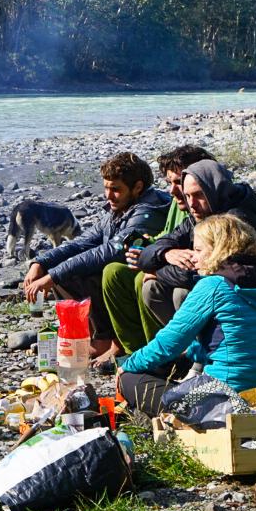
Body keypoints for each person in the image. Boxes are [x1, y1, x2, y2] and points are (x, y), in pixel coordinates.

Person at [118, 214, 256, 416]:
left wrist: (127, 366)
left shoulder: (213, 286)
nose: (194, 257)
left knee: (130, 379)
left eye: (199, 250)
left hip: (226, 404)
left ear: (218, 251)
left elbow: (168, 344)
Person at [21, 152, 171, 353]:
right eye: (107, 188)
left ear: (137, 187)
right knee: (61, 269)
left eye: (115, 190)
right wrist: (40, 263)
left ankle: (107, 339)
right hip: (124, 274)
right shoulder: (120, 209)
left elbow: (110, 251)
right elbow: (83, 242)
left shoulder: (147, 212)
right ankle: (90, 334)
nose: (108, 196)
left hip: (140, 279)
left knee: (97, 271)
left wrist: (52, 277)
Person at [134, 158, 256, 329]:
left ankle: (209, 349)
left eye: (198, 195)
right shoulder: (199, 216)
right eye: (187, 196)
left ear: (214, 190)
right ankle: (190, 348)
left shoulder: (235, 222)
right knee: (152, 288)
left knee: (183, 293)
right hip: (228, 294)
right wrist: (165, 253)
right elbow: (147, 255)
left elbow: (207, 275)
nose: (192, 204)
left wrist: (158, 272)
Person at [100, 145, 214, 356]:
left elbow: (205, 268)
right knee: (113, 272)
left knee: (145, 280)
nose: (173, 190)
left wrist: (157, 266)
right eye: (171, 182)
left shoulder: (215, 213)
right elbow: (166, 240)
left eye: (179, 182)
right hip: (172, 267)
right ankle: (135, 350)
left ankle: (162, 353)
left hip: (192, 279)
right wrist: (158, 251)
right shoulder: (180, 205)